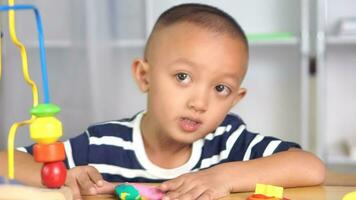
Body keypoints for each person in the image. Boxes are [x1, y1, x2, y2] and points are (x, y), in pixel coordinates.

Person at [0, 3, 325, 200]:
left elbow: (309, 166)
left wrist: (222, 177)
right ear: (144, 76)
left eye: (221, 89)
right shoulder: (102, 142)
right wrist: (56, 176)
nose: (200, 102)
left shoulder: (228, 143)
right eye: (183, 77)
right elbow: (6, 162)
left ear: (235, 100)